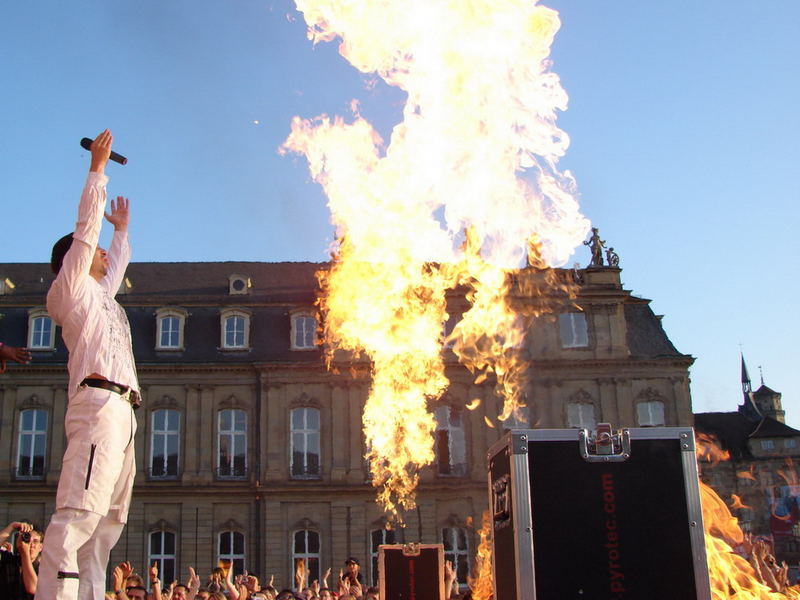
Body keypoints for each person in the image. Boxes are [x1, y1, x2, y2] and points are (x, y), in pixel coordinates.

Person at [35, 129, 140, 600]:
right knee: (78, 513)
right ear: (70, 264)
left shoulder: (102, 295)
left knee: (105, 526)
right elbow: (84, 238)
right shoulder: (70, 292)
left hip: (125, 413)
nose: (101, 252)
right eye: (95, 250)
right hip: (97, 402)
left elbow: (113, 264)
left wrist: (121, 232)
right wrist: (96, 172)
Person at [0, 521, 43, 599]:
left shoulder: (44, 569)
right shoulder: (9, 560)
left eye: (35, 541)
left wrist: (25, 553)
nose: (31, 544)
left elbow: (33, 589)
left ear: (41, 547)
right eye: (27, 539)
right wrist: (12, 526)